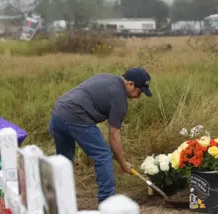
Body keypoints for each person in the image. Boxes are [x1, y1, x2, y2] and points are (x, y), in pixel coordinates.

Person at [48, 67, 152, 203]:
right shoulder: (119, 98)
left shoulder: (106, 77)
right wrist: (123, 163)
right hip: (76, 116)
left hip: (57, 114)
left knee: (64, 160)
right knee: (103, 155)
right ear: (131, 84)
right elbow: (114, 135)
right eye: (140, 91)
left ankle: (58, 199)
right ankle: (107, 202)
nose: (139, 96)